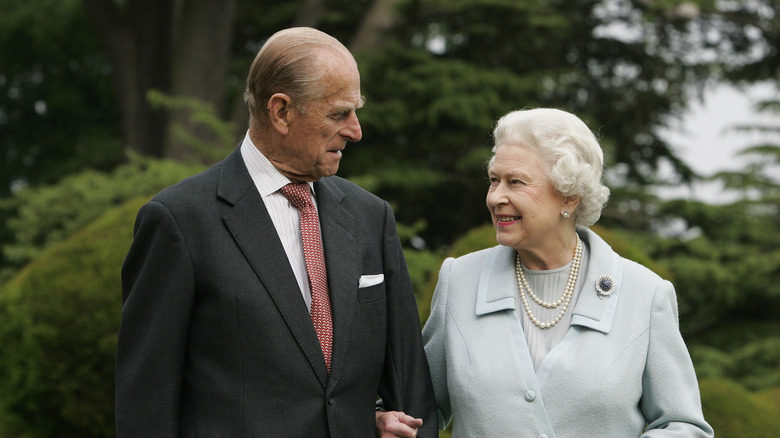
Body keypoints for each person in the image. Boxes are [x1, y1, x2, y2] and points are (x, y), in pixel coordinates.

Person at [116, 27, 436, 437]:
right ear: (281, 111)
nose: (356, 130)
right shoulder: (179, 221)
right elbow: (146, 407)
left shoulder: (371, 217)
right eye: (339, 113)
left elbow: (410, 392)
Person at [421, 108, 714, 437]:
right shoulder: (459, 280)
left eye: (515, 182)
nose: (495, 197)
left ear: (570, 198)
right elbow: (416, 408)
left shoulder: (644, 295)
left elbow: (683, 425)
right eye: (493, 180)